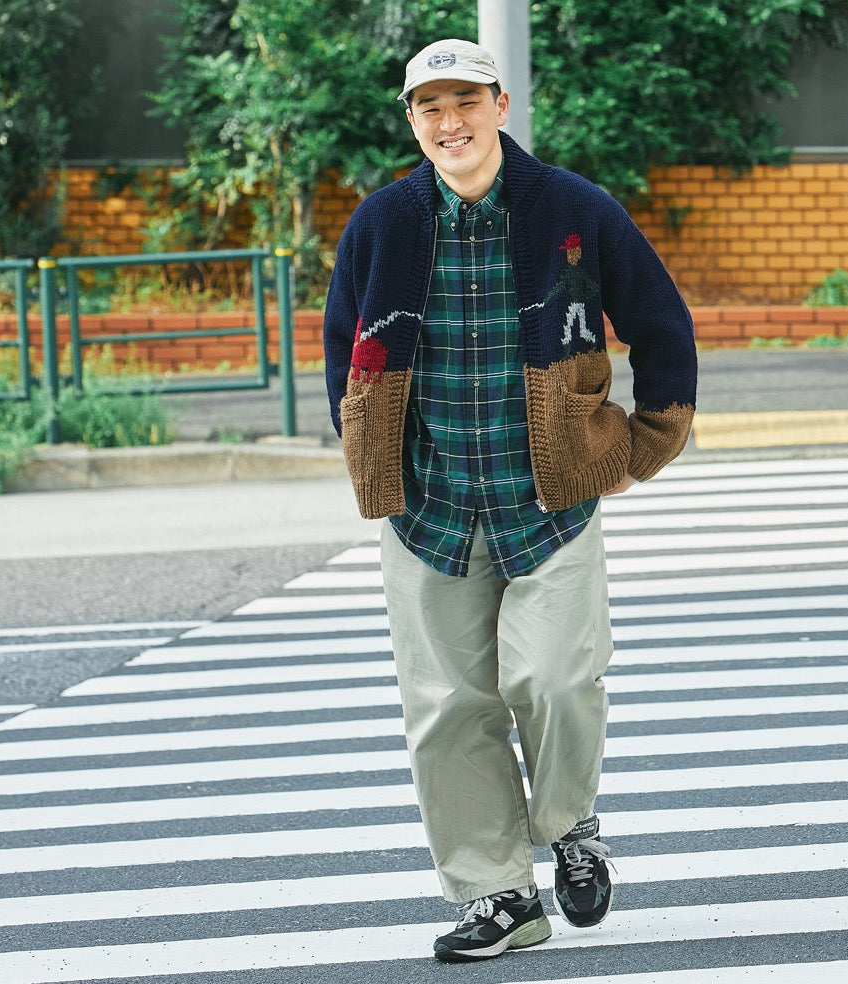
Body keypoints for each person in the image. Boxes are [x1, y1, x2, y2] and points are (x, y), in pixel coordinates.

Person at [323, 37, 697, 962]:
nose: (449, 124)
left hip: (549, 499)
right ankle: (498, 896)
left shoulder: (573, 209)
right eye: (429, 109)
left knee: (557, 681)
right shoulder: (382, 223)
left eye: (464, 103)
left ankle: (570, 824)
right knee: (449, 710)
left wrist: (651, 437)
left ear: (498, 105)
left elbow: (659, 319)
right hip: (430, 506)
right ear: (413, 121)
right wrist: (371, 455)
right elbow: (346, 350)